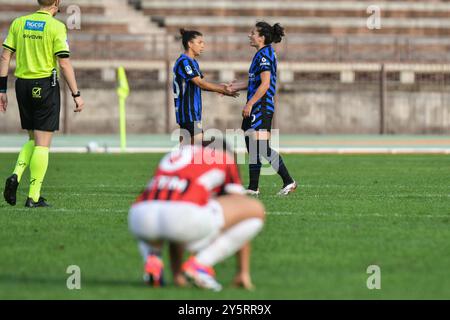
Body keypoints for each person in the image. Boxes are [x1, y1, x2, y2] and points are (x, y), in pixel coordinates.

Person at [128, 141, 265, 291]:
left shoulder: (176, 154)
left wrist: (177, 276)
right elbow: (240, 206)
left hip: (139, 216)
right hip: (182, 215)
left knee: (175, 214)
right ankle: (200, 264)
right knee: (255, 209)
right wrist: (242, 271)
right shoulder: (224, 157)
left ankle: (153, 258)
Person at [1, 0, 85, 208]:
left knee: (33, 138)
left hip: (22, 86)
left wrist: (2, 89)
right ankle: (33, 196)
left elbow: (5, 56)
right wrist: (77, 94)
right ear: (56, 2)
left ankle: (16, 175)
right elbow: (64, 62)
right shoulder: (56, 26)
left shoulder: (19, 22)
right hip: (44, 86)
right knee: (43, 144)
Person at [229, 22, 297, 196]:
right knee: (252, 147)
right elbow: (255, 81)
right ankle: (253, 187)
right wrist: (235, 86)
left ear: (262, 37)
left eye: (252, 33)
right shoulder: (260, 54)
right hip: (257, 107)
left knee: (261, 147)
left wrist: (250, 103)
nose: (249, 35)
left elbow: (265, 84)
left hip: (261, 107)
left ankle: (289, 181)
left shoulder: (265, 55)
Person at [173, 29, 238, 145]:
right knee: (198, 150)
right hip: (188, 111)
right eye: (200, 42)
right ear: (190, 44)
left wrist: (220, 87)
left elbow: (201, 83)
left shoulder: (192, 62)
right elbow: (200, 83)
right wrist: (222, 89)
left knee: (187, 152)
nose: (203, 46)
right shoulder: (184, 62)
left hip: (191, 112)